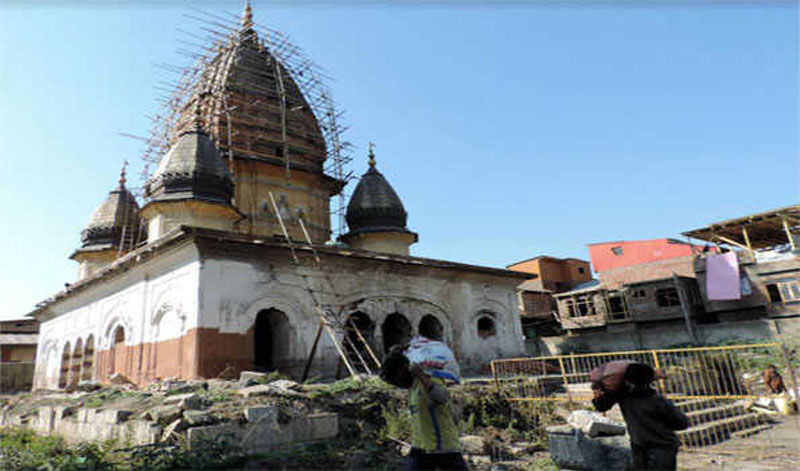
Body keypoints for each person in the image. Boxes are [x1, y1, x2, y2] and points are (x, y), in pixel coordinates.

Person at [380, 346, 468, 471]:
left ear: (403, 371)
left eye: (395, 380)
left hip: (442, 448)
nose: (397, 385)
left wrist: (421, 376)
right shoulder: (412, 388)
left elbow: (442, 397)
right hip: (420, 448)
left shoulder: (427, 380)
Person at [593, 363, 689, 471]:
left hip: (639, 447)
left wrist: (598, 396)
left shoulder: (624, 396)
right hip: (663, 449)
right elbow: (682, 423)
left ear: (627, 380)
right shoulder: (657, 400)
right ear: (650, 380)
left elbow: (602, 406)